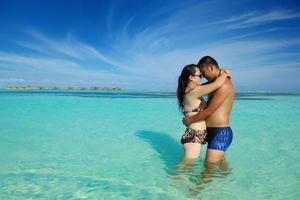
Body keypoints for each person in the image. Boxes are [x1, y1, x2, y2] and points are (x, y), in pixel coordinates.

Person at [176, 64, 230, 169]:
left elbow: (210, 84)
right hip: (194, 135)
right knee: (186, 164)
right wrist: (224, 73)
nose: (202, 77)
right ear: (191, 77)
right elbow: (217, 84)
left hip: (196, 134)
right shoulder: (194, 92)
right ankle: (174, 181)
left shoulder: (191, 90)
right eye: (200, 75)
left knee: (188, 164)